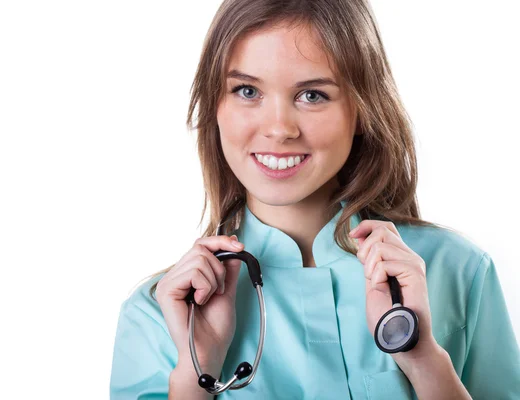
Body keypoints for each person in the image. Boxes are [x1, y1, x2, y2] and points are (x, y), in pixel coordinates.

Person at [110, 0, 520, 398]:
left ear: (363, 110)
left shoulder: (458, 271)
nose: (279, 128)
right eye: (247, 90)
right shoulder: (157, 316)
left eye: (312, 95)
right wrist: (194, 374)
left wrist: (422, 359)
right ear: (214, 106)